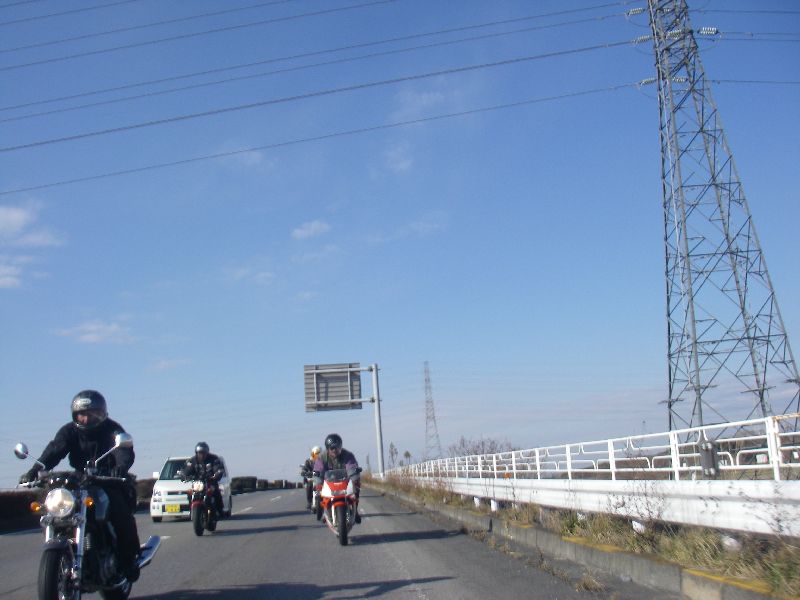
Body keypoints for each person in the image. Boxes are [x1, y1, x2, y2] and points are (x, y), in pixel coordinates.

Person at [18, 390, 142, 582]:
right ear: (75, 415)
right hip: (80, 478)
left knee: (120, 512)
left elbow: (123, 451)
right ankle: (64, 547)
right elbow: (55, 449)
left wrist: (120, 468)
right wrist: (36, 469)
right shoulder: (69, 431)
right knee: (55, 507)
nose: (86, 418)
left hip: (108, 477)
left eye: (92, 413)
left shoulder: (112, 429)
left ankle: (129, 560)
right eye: (81, 414)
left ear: (102, 413)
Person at [313, 433, 361, 523]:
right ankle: (324, 512)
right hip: (328, 482)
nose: (335, 450)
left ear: (340, 447)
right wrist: (318, 482)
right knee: (318, 493)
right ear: (328, 448)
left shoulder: (348, 455)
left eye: (337, 447)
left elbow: (351, 467)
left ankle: (355, 509)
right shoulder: (322, 457)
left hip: (344, 481)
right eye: (332, 448)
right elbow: (318, 470)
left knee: (356, 489)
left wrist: (354, 477)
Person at [182, 442, 225, 517]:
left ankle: (220, 510)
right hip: (198, 483)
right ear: (196, 453)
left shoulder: (213, 459)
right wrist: (183, 475)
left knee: (216, 492)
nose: (201, 455)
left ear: (207, 452)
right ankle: (191, 510)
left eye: (203, 453)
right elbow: (187, 469)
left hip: (210, 481)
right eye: (199, 453)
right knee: (190, 493)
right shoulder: (192, 460)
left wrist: (217, 474)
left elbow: (218, 468)